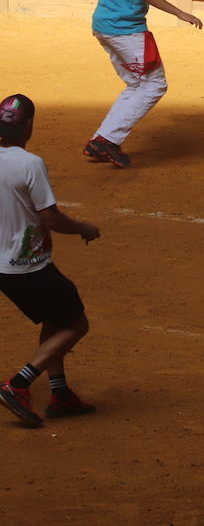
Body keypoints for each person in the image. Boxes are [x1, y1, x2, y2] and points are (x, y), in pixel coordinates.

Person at [0, 94, 102, 429]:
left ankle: (60, 394)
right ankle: (19, 383)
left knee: (54, 319)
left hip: (4, 267)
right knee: (76, 324)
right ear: (28, 125)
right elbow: (52, 218)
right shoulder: (29, 164)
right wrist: (84, 228)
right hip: (28, 267)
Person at [86, 0, 202, 169]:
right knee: (153, 84)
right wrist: (180, 12)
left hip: (105, 24)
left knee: (138, 84)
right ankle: (106, 141)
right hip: (125, 30)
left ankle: (101, 140)